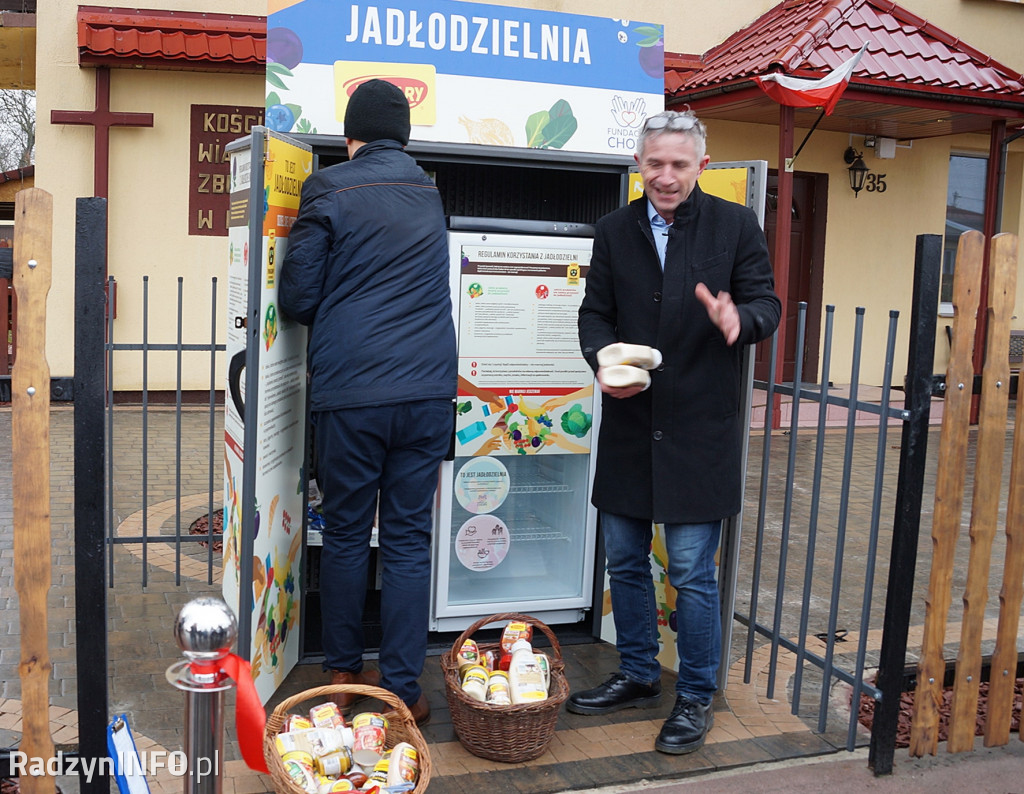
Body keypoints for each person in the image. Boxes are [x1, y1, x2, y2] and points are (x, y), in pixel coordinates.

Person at [573, 109, 780, 754]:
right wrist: (602, 361)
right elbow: (594, 314)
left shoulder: (735, 225)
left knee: (691, 572)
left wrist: (735, 319)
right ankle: (638, 673)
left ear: (702, 167)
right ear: (639, 165)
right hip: (632, 423)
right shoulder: (613, 229)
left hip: (699, 428)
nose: (666, 176)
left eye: (679, 164)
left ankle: (694, 695)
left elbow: (767, 304)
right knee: (626, 563)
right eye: (655, 163)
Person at [279, 79, 456, 724]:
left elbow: (296, 299)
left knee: (350, 531)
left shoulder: (328, 189)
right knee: (410, 538)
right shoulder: (429, 191)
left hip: (353, 393)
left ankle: (345, 674)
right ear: (403, 137)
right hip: (429, 390)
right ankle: (405, 689)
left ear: (351, 136)